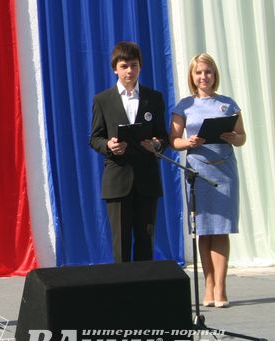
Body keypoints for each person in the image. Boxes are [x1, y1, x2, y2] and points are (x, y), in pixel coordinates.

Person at [169, 53, 245, 308]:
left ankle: (221, 288)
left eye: (208, 72)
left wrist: (234, 137)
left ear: (215, 74)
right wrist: (187, 142)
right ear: (192, 76)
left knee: (221, 229)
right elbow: (174, 141)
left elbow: (242, 136)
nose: (204, 77)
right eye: (199, 72)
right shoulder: (184, 106)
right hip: (198, 173)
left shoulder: (228, 104)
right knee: (204, 230)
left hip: (224, 173)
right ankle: (208, 285)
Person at [89, 41, 167, 262]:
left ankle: (143, 293)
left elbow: (163, 136)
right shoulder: (103, 100)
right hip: (117, 180)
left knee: (145, 241)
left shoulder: (154, 98)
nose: (129, 71)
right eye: (124, 66)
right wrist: (108, 146)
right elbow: (94, 138)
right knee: (121, 245)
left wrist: (157, 145)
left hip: (147, 180)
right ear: (115, 68)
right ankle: (122, 293)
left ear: (140, 66)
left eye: (134, 65)